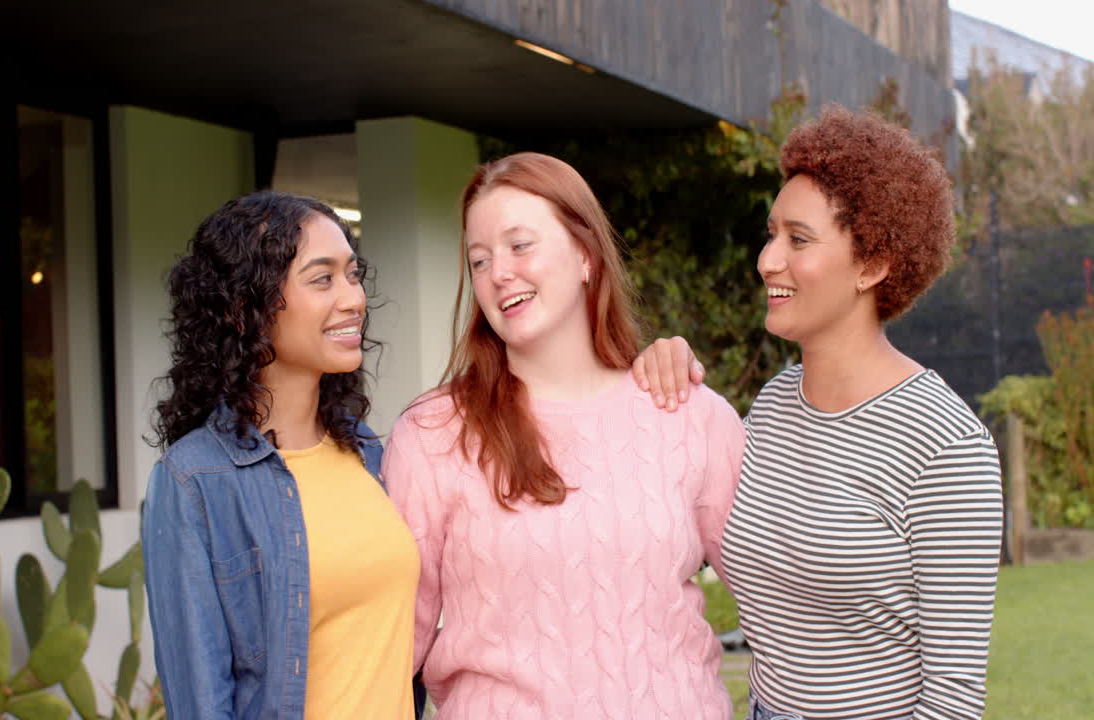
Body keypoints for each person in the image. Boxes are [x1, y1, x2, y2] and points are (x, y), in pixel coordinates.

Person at [635, 105, 1004, 719]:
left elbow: (953, 700)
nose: (767, 260)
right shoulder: (774, 408)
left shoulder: (946, 445)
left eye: (798, 240)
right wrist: (659, 370)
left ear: (874, 264)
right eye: (771, 233)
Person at [383, 152, 747, 719]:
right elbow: (388, 648)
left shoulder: (690, 415)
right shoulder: (432, 436)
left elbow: (782, 610)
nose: (499, 272)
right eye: (479, 260)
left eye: (519, 245)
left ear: (585, 255)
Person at [141, 191, 421, 720]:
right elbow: (201, 704)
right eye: (322, 278)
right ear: (245, 308)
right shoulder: (194, 482)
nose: (353, 298)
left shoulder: (366, 452)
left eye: (353, 275)